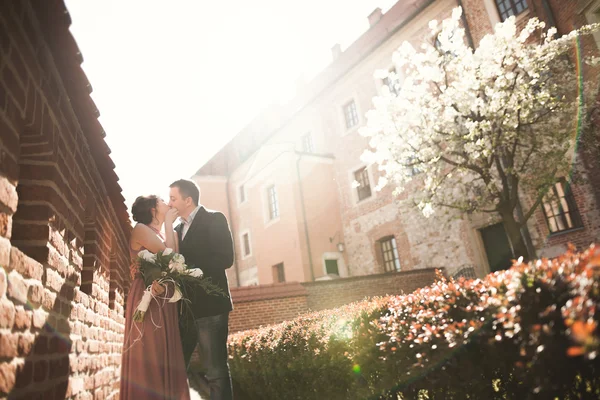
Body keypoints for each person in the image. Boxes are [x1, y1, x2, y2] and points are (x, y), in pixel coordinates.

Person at [168, 179, 234, 400]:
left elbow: (225, 258)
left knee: (215, 371)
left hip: (211, 307)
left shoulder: (214, 219)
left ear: (188, 200)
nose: (170, 203)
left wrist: (189, 268)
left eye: (173, 198)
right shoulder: (175, 229)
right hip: (185, 310)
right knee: (176, 368)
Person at [120, 195, 191, 400]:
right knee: (149, 353)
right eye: (161, 200)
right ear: (152, 209)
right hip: (147, 297)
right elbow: (169, 256)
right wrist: (169, 223)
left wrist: (169, 227)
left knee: (165, 355)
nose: (166, 202)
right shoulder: (141, 229)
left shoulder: (162, 233)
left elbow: (175, 262)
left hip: (165, 299)